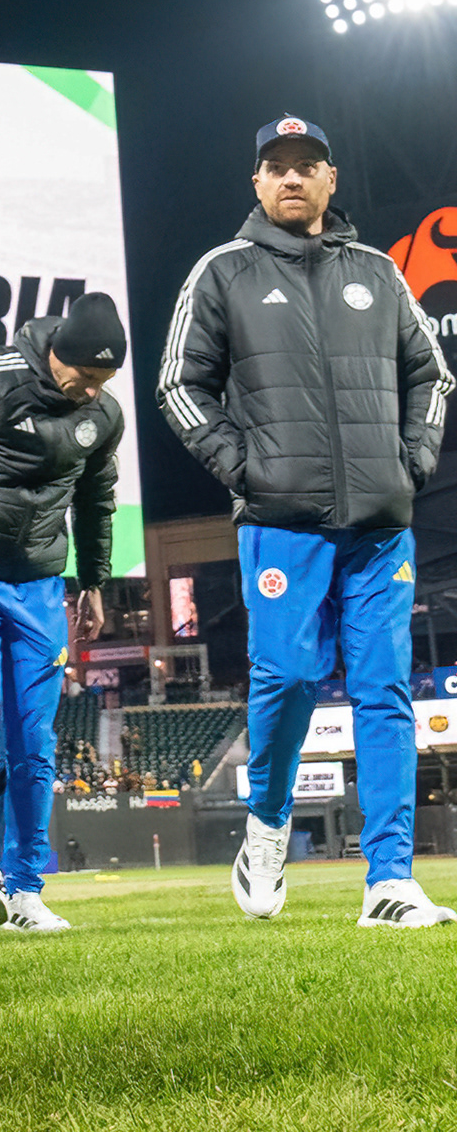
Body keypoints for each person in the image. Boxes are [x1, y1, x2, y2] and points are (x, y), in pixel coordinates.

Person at [157, 114, 455, 929]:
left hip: (379, 521)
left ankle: (389, 879)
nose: (291, 178)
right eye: (276, 166)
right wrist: (246, 469)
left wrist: (413, 462)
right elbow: (180, 386)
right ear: (256, 183)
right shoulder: (223, 272)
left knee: (385, 689)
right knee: (286, 677)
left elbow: (432, 375)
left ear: (331, 180)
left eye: (307, 165)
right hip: (281, 520)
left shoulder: (379, 274)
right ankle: (266, 827)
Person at [0, 292, 126, 937]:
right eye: (85, 377)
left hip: (40, 585)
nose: (91, 392)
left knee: (34, 741)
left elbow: (98, 500)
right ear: (58, 352)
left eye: (104, 382)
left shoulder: (105, 417)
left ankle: (28, 889)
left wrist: (93, 580)